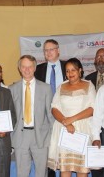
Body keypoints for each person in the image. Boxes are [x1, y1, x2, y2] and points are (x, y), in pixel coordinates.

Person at [48, 58, 96, 177]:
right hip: (64, 130)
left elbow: (92, 109)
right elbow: (54, 108)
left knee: (82, 169)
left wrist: (72, 119)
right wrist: (66, 122)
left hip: (82, 131)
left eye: (73, 70)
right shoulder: (61, 87)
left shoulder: (89, 85)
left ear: (80, 70)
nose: (70, 73)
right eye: (67, 71)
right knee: (65, 169)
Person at [9, 55, 54, 177]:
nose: (27, 70)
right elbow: (10, 115)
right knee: (21, 173)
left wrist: (52, 137)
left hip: (41, 136)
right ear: (19, 68)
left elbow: (50, 115)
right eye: (23, 67)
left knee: (41, 172)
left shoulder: (45, 88)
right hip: (20, 136)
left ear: (34, 68)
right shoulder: (12, 89)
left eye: (30, 67)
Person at [35, 39, 66, 177]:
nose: (48, 52)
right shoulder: (39, 69)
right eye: (46, 50)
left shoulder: (68, 66)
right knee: (49, 153)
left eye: (51, 49)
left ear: (58, 50)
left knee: (65, 152)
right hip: (45, 118)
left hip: (65, 115)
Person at [85, 48, 104, 177]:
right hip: (93, 126)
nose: (100, 59)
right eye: (98, 56)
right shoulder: (88, 78)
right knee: (96, 164)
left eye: (103, 56)